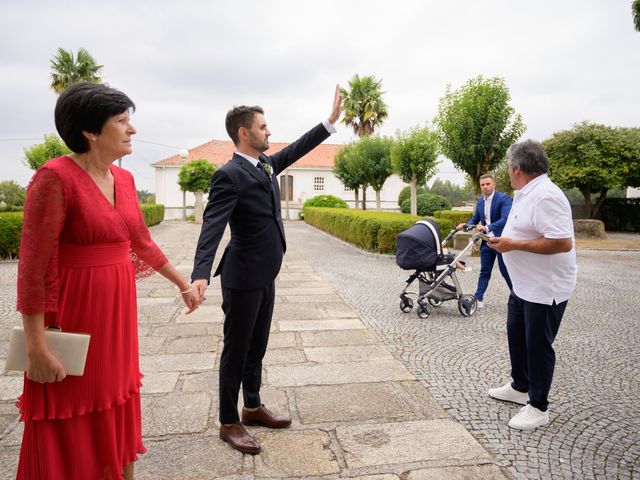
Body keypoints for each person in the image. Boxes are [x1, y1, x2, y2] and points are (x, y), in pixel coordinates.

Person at [16, 82, 201, 479]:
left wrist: (181, 283)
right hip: (75, 312)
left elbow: (141, 241)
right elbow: (33, 267)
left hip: (117, 316)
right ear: (90, 131)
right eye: (122, 121)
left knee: (116, 395)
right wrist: (35, 347)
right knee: (70, 404)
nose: (132, 130)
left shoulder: (126, 180)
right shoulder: (54, 177)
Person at [191, 85, 342, 454]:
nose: (269, 132)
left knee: (257, 345)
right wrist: (200, 274)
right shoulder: (228, 175)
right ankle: (229, 420)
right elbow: (212, 226)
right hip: (242, 277)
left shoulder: (266, 165)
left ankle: (253, 405)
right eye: (263, 126)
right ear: (244, 132)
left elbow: (297, 148)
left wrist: (330, 121)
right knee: (237, 349)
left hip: (265, 274)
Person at [487, 139, 577, 430]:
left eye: (508, 169)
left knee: (537, 345)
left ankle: (539, 406)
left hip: (544, 287)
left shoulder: (546, 196)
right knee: (516, 334)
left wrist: (514, 244)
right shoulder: (525, 193)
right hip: (523, 284)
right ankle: (520, 385)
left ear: (517, 168)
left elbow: (562, 242)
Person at [457, 174, 513, 308]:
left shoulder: (504, 199)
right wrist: (466, 226)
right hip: (487, 241)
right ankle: (478, 298)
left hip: (501, 240)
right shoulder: (480, 201)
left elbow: (505, 219)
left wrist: (487, 227)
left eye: (488, 184)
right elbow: (475, 219)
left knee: (505, 270)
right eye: (482, 185)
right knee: (485, 270)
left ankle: (518, 296)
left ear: (494, 185)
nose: (485, 187)